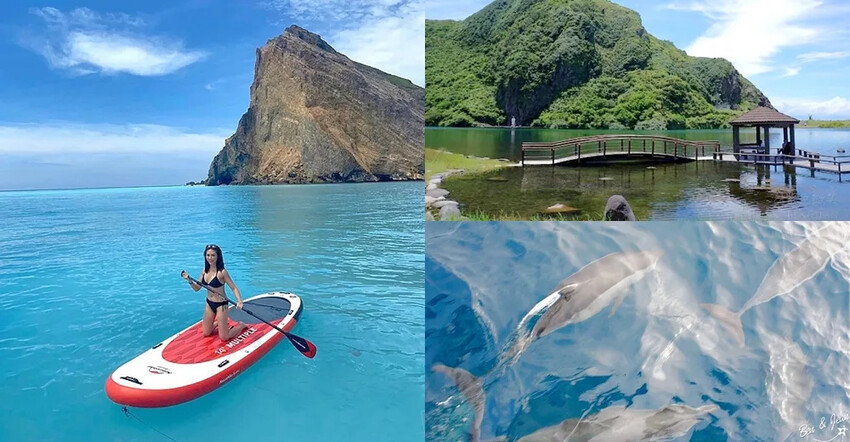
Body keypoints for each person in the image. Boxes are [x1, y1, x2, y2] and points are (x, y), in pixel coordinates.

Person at [181, 244, 248, 340]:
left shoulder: (222, 272)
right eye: (208, 255)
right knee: (206, 333)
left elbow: (233, 288)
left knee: (224, 337)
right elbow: (197, 289)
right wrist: (189, 280)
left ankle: (241, 325)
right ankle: (219, 324)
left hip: (222, 305)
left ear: (218, 256)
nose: (210, 258)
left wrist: (239, 301)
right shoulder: (204, 271)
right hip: (209, 303)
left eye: (213, 255)